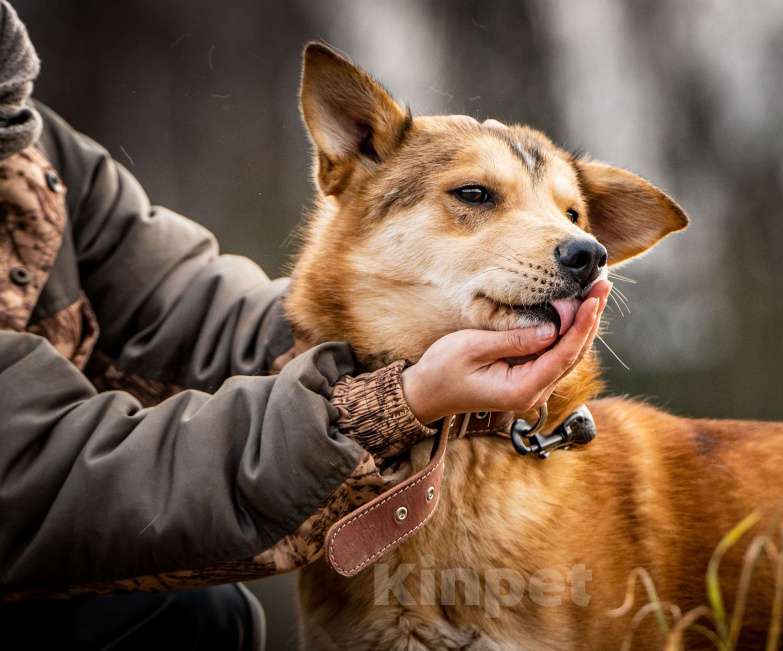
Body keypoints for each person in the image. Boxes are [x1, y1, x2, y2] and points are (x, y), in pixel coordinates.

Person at [0, 3, 606, 649]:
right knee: (193, 612)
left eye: (573, 216)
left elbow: (178, 313)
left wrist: (380, 340)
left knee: (200, 616)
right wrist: (387, 405)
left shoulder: (35, 143)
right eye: (475, 195)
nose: (578, 245)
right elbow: (31, 484)